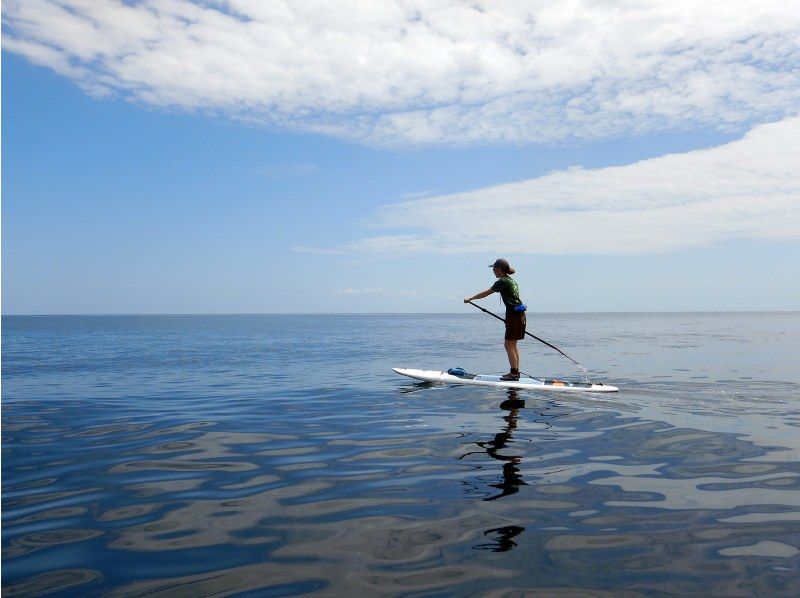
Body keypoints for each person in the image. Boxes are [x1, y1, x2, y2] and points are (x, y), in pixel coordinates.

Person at [464, 258, 526, 381]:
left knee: (508, 344)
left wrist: (471, 298)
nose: (493, 272)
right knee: (513, 345)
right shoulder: (511, 281)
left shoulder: (502, 281)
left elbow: (486, 293)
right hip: (519, 315)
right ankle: (516, 372)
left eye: (494, 269)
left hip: (514, 316)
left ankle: (514, 374)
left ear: (499, 270)